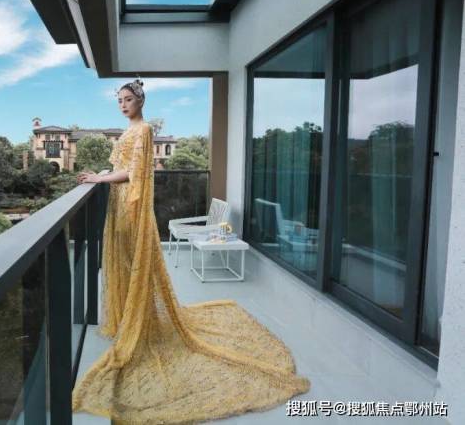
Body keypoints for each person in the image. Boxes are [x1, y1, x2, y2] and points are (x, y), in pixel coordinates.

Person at [73, 79, 311, 424]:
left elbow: (134, 173)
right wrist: (100, 174)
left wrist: (100, 180)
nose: (123, 105)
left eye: (128, 99)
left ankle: (139, 319)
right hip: (118, 204)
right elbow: (118, 166)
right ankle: (128, 317)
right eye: (119, 100)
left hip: (129, 206)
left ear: (141, 101)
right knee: (124, 262)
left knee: (135, 263)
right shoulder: (128, 131)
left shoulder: (144, 131)